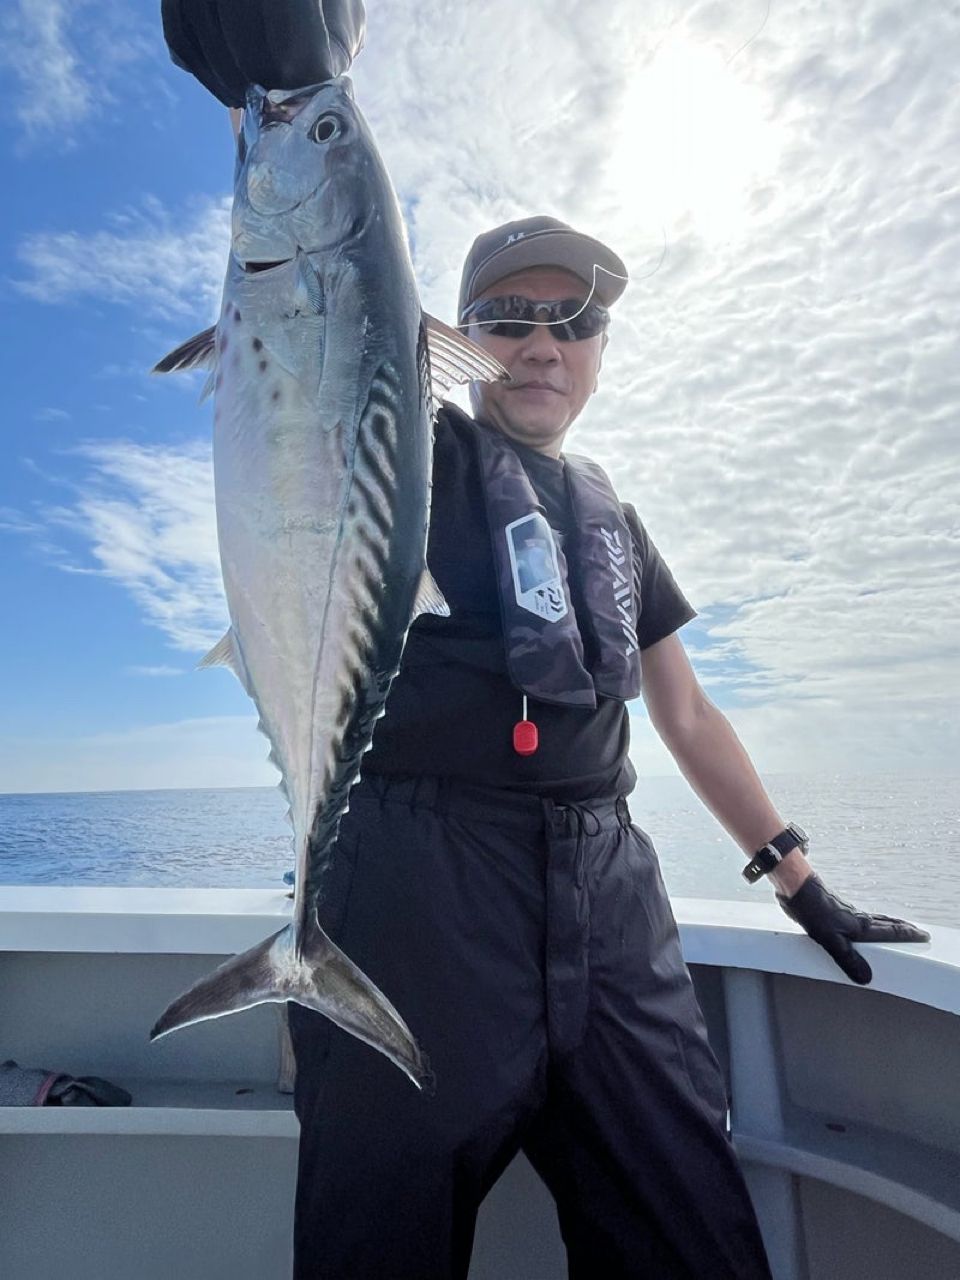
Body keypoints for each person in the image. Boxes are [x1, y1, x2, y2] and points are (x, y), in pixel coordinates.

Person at [160, 7, 930, 1277]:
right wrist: (293, 74)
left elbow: (683, 711)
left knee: (696, 1245)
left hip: (613, 910)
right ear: (450, 337)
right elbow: (327, 322)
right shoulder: (420, 448)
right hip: (417, 894)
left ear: (601, 353)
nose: (540, 344)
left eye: (571, 322)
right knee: (378, 1249)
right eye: (508, 315)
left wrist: (794, 869)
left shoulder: (611, 516)